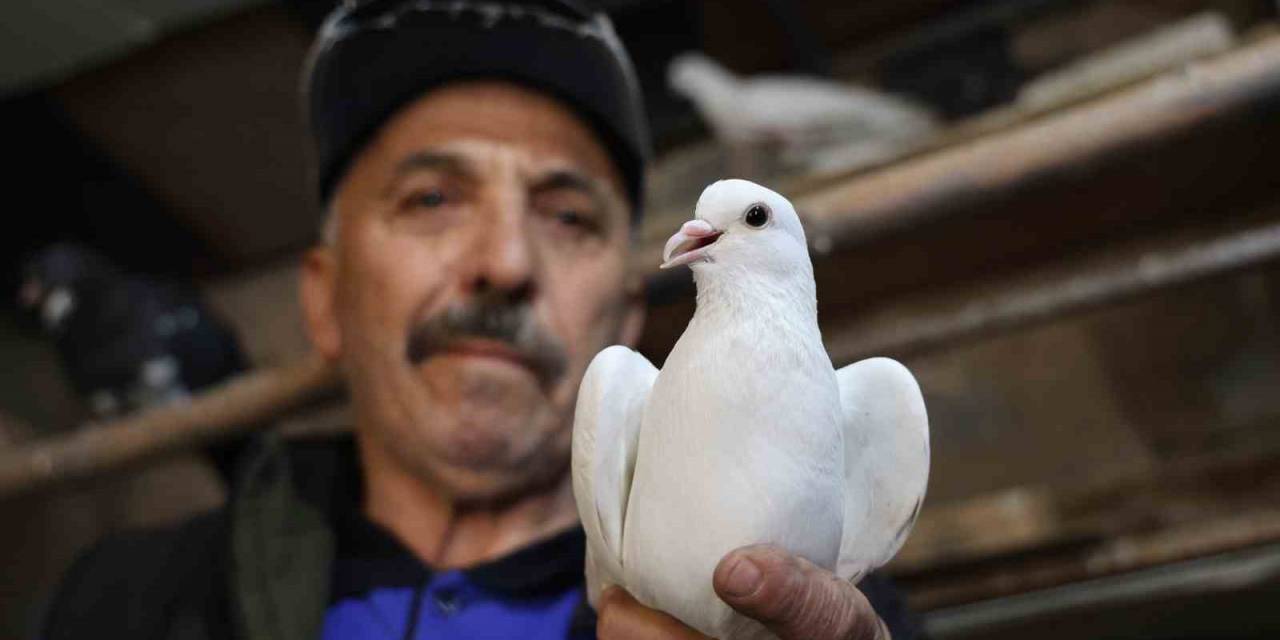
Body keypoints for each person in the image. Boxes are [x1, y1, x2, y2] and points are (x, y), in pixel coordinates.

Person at [44, 1, 921, 639]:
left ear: (622, 312)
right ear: (323, 298)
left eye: (568, 215)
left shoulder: (819, 617)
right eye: (431, 198)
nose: (504, 262)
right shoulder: (123, 604)